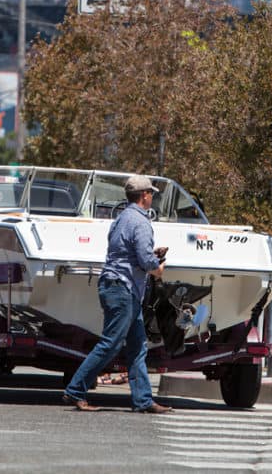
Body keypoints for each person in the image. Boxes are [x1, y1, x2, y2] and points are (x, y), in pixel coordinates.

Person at [63, 175, 172, 413]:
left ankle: (143, 401)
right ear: (144, 195)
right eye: (151, 193)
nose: (152, 196)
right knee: (110, 344)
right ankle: (75, 390)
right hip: (123, 289)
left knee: (137, 346)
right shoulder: (141, 222)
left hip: (117, 286)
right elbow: (146, 262)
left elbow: (125, 252)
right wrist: (158, 266)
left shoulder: (122, 218)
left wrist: (150, 256)